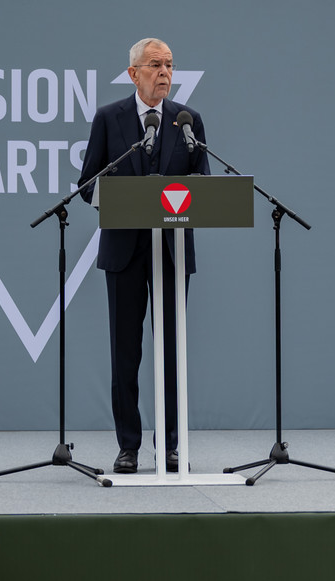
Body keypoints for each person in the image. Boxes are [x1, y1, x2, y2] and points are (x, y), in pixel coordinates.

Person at [78, 38, 210, 474]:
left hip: (172, 251)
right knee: (126, 354)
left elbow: (204, 182)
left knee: (172, 351)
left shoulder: (188, 121)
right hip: (124, 252)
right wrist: (119, 198)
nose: (165, 73)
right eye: (155, 65)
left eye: (169, 65)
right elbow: (87, 184)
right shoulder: (109, 118)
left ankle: (171, 445)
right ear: (133, 73)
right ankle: (129, 447)